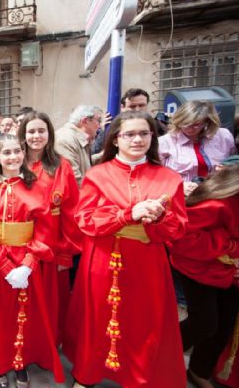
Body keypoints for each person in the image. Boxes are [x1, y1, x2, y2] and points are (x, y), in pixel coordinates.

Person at [64, 111, 187, 388]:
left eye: (144, 133)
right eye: (129, 134)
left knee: (143, 324)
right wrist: (127, 215)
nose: (137, 139)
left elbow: (178, 229)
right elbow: (84, 219)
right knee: (96, 321)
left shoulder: (168, 178)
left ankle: (138, 378)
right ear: (116, 139)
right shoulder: (97, 175)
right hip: (101, 260)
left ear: (152, 137)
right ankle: (87, 374)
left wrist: (159, 218)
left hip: (146, 263)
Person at [0, 134, 64, 387]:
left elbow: (46, 229)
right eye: (6, 153)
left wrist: (29, 264)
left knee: (26, 313)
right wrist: (2, 265)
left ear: (23, 154)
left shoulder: (39, 188)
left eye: (16, 151)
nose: (12, 157)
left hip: (27, 261)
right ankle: (1, 362)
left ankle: (21, 361)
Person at [17, 111, 82, 355]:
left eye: (41, 131)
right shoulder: (14, 162)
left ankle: (46, 346)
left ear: (49, 134)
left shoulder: (61, 165)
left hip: (52, 244)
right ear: (23, 134)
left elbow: (71, 210)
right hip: (20, 242)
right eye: (31, 131)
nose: (36, 136)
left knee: (50, 299)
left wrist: (66, 254)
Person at [169, 163, 239, 388]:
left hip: (228, 272)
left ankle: (199, 370)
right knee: (205, 323)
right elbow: (181, 238)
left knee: (223, 326)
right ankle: (160, 355)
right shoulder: (219, 202)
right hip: (201, 268)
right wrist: (228, 246)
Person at [159, 100, 235, 196]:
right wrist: (178, 185)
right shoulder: (165, 142)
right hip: (182, 195)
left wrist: (226, 168)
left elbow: (234, 165)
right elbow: (155, 176)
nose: (188, 128)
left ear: (207, 121)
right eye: (184, 123)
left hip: (217, 194)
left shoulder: (223, 136)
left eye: (195, 125)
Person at [55, 105, 103, 187]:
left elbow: (84, 164)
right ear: (85, 121)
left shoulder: (79, 137)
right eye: (98, 121)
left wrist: (105, 154)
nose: (100, 126)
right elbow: (73, 179)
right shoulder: (65, 140)